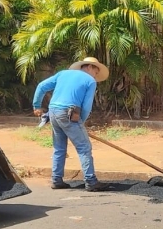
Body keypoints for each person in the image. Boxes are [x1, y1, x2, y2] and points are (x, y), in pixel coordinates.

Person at [32, 57, 110, 192]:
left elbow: (41, 86)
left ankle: (56, 180)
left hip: (53, 112)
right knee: (84, 147)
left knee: (59, 148)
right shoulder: (90, 81)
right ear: (90, 67)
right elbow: (86, 107)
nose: (95, 76)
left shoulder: (63, 73)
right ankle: (91, 181)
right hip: (68, 113)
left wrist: (36, 105)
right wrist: (81, 123)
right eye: (96, 72)